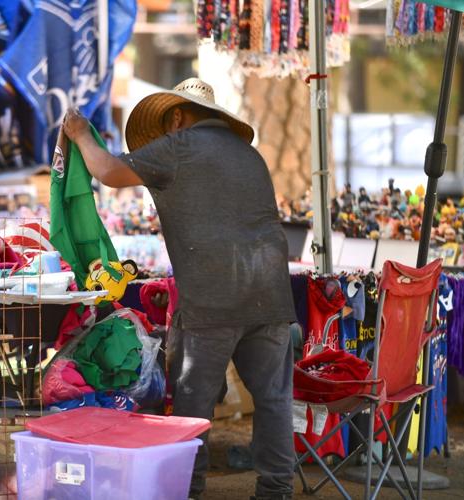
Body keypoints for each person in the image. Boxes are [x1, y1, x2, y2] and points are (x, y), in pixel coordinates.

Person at [62, 78, 296, 500]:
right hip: (271, 294)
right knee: (274, 400)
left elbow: (108, 171)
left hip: (211, 299)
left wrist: (79, 134)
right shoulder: (250, 155)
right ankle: (276, 490)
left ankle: (188, 489)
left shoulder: (181, 144)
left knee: (193, 405)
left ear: (176, 116)